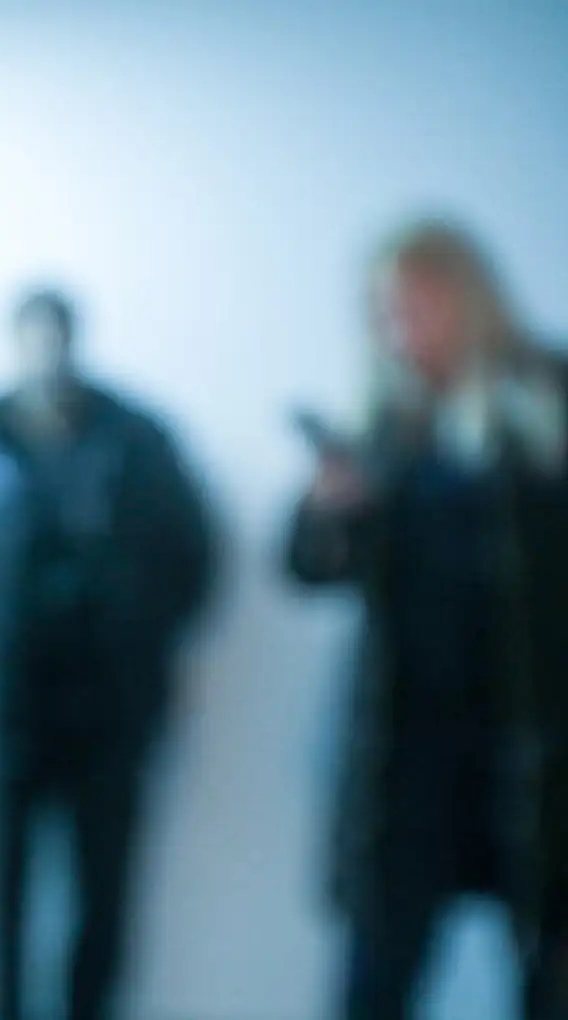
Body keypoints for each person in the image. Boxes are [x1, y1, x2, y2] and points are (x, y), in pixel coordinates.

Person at [284, 219, 568, 1020]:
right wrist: (329, 508)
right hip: (406, 766)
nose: (398, 328)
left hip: (536, 754)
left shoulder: (547, 397)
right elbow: (307, 566)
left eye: (413, 305)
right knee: (374, 984)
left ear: (466, 298)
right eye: (383, 311)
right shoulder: (382, 424)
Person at [0, 289, 215, 1020]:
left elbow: (194, 557)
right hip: (1, 715)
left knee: (104, 901)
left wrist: (150, 640)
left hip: (111, 713)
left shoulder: (137, 440)